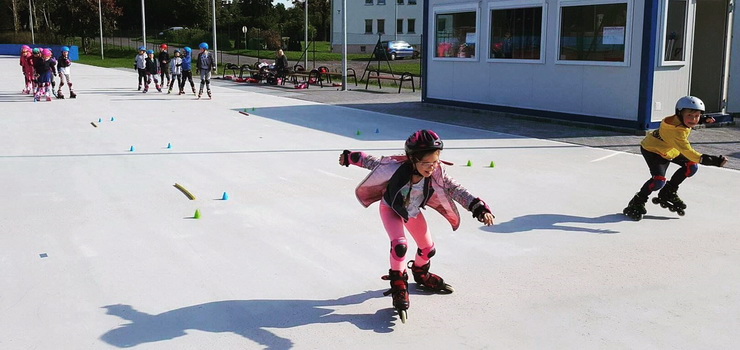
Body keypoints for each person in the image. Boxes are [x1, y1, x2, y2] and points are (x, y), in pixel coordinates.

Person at [338, 129, 495, 321]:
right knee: (400, 245)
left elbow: (456, 189)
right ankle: (398, 284)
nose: (431, 167)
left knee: (428, 249)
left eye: (435, 161)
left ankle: (420, 273)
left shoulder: (438, 172)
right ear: (412, 159)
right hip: (391, 209)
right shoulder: (395, 168)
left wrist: (478, 208)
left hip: (411, 211)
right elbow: (371, 161)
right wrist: (349, 157)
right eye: (426, 163)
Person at [622, 96, 729, 220]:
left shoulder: (679, 119)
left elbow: (688, 120)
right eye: (690, 115)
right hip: (653, 150)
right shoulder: (676, 133)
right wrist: (715, 161)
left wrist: (703, 119)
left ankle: (668, 192)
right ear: (679, 114)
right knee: (658, 181)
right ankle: (637, 201)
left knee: (691, 167)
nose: (693, 120)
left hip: (670, 148)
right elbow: (690, 153)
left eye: (697, 116)